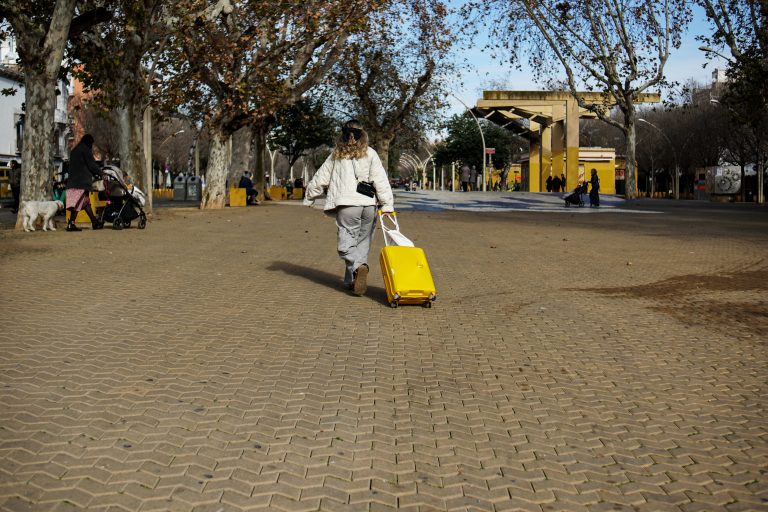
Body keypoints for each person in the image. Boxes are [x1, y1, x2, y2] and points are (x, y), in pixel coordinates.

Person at [303, 119, 394, 296]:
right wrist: (387, 204)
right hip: (369, 206)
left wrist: (309, 197)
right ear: (364, 135)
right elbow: (380, 180)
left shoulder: (337, 155)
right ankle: (351, 281)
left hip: (347, 205)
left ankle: (359, 268)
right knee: (362, 243)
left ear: (342, 135)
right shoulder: (372, 154)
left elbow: (321, 177)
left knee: (345, 245)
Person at [65, 134, 104, 231]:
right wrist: (101, 173)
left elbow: (82, 165)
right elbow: (91, 165)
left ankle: (94, 222)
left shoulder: (75, 150)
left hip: (73, 181)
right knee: (79, 202)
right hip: (81, 181)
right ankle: (72, 223)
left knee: (85, 202)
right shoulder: (85, 149)